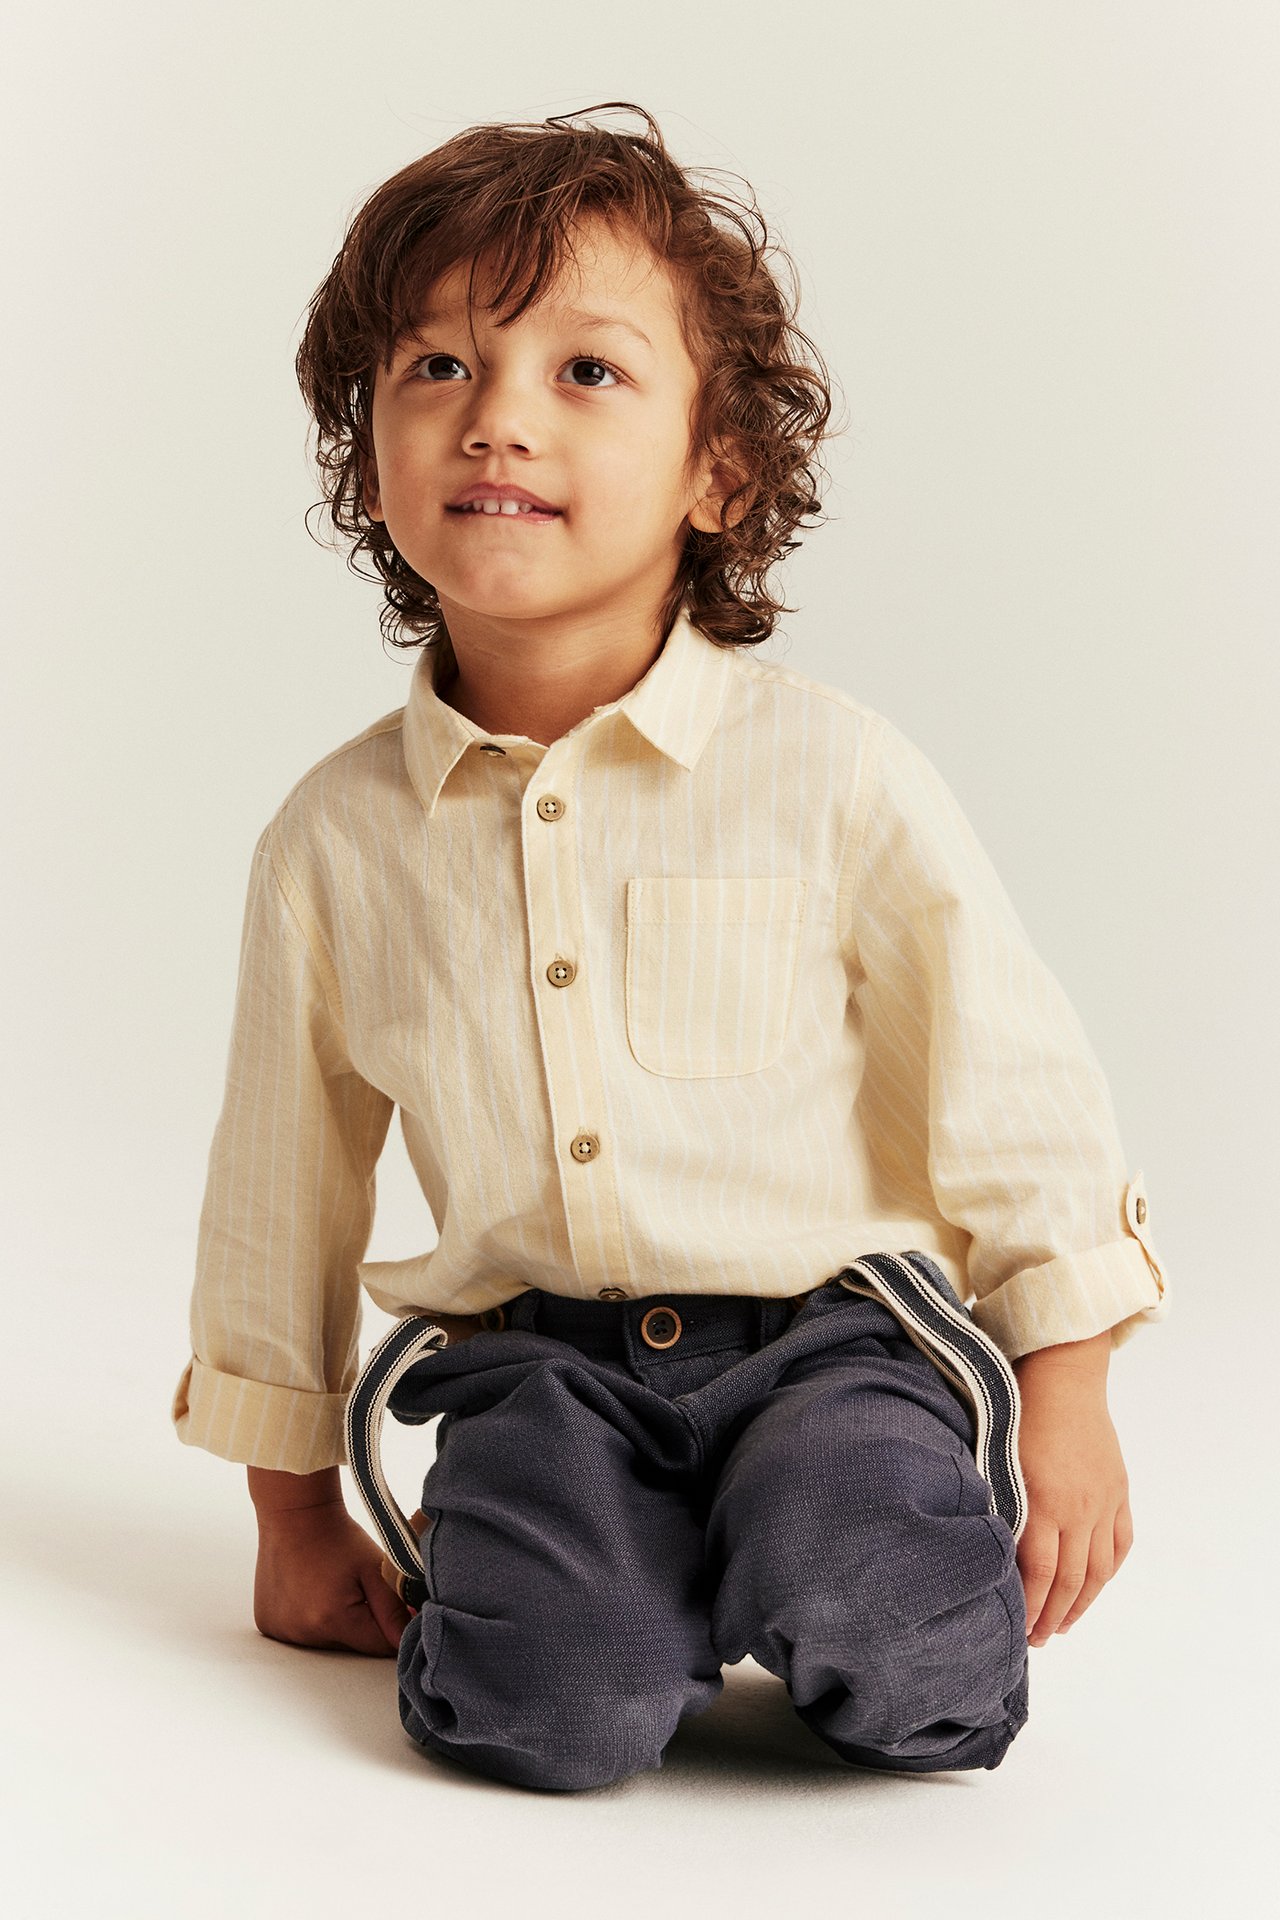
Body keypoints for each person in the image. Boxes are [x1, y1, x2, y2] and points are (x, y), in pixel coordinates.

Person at [170, 101, 1170, 1791]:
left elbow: (1014, 1087)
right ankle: (619, 1581)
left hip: (835, 1345)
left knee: (918, 1670)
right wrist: (289, 1513)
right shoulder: (335, 841)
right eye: (435, 369)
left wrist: (1067, 1396)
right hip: (536, 1376)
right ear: (372, 459)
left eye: (586, 373)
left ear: (719, 470)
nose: (497, 421)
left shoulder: (833, 774)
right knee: (541, 1718)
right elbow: (281, 1185)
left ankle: (792, 1544)